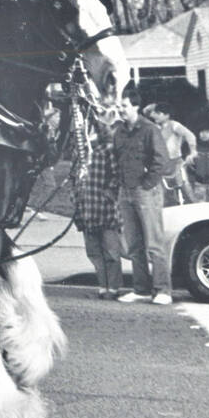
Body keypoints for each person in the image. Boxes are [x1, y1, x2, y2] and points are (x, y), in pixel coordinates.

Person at [112, 83, 171, 304]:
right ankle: (141, 289)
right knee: (134, 244)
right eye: (119, 106)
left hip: (146, 192)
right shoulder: (119, 132)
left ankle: (163, 290)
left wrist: (147, 185)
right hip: (125, 192)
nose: (120, 109)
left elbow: (161, 161)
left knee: (154, 243)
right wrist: (118, 186)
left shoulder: (149, 130)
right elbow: (116, 160)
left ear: (136, 107)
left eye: (124, 106)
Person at [72, 115, 123, 299]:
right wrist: (75, 197)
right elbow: (75, 178)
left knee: (110, 251)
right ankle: (103, 286)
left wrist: (109, 193)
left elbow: (117, 175)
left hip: (104, 209)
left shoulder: (108, 150)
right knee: (94, 252)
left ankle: (114, 287)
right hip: (86, 208)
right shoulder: (82, 153)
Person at [144, 101, 196, 205]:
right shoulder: (155, 127)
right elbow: (145, 111)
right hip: (161, 165)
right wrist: (155, 106)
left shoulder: (174, 125)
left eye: (158, 113)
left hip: (176, 163)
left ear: (167, 115)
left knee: (185, 190)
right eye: (155, 113)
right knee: (165, 196)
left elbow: (190, 136)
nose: (155, 116)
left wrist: (193, 151)